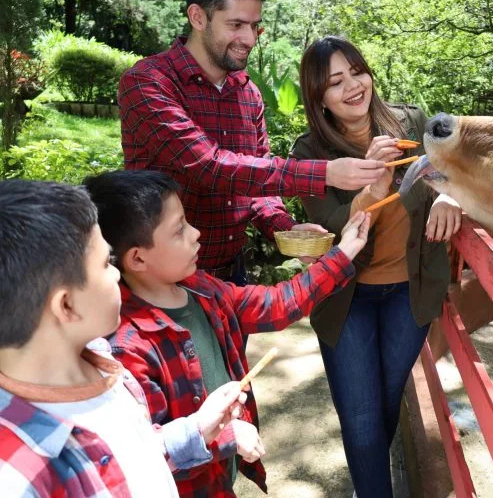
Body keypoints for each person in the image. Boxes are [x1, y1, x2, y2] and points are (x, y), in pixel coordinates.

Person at [83, 169, 371, 497]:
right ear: (137, 258)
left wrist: (343, 253)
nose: (195, 234)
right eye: (179, 230)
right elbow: (145, 453)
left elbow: (275, 304)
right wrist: (225, 436)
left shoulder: (199, 288)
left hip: (220, 476)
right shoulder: (127, 349)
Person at [117, 0, 385, 284]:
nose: (249, 39)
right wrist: (326, 172)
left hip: (232, 277)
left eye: (255, 26)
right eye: (236, 25)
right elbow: (209, 166)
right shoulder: (148, 82)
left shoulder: (248, 94)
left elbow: (255, 187)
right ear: (198, 17)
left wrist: (286, 229)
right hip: (160, 282)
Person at [290, 36, 462, 497]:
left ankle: (369, 485)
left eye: (357, 72)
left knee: (385, 403)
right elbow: (329, 229)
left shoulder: (412, 122)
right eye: (335, 82)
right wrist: (371, 186)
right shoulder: (309, 154)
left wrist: (449, 195)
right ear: (318, 98)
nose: (352, 86)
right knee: (361, 418)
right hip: (347, 298)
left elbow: (452, 167)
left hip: (410, 293)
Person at [0, 179, 249, 497]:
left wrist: (197, 428)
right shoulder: (18, 479)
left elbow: (132, 455)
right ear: (67, 305)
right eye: (107, 263)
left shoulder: (103, 362)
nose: (118, 274)